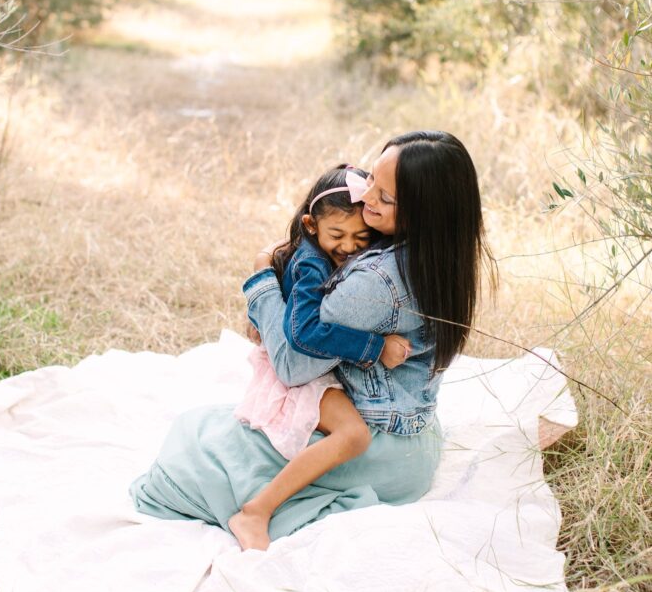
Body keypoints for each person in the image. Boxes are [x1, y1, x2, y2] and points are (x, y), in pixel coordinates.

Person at [129, 130, 494, 546]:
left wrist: (262, 281)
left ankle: (256, 513)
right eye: (371, 180)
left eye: (385, 198)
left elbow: (291, 364)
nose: (367, 198)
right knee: (209, 425)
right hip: (416, 438)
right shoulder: (440, 256)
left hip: (377, 451)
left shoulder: (375, 283)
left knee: (188, 458)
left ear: (422, 214)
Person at [228, 164, 411, 550]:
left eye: (361, 237)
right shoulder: (311, 262)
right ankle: (256, 511)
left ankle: (260, 509)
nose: (348, 246)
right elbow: (305, 330)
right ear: (311, 225)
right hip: (304, 370)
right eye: (337, 235)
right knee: (353, 435)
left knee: (351, 434)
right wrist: (375, 347)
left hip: (315, 367)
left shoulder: (334, 254)